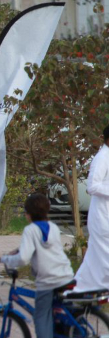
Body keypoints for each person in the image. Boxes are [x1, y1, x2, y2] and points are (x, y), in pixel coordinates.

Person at [0, 193, 76, 338]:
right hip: (65, 274)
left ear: (29, 213)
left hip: (48, 280)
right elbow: (40, 246)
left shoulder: (30, 230)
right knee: (55, 312)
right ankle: (59, 335)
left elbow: (24, 258)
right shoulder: (53, 227)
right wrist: (15, 251)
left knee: (41, 318)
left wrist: (4, 259)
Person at [75, 125, 109, 293]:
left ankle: (79, 290)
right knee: (102, 255)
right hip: (102, 216)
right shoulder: (102, 157)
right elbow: (92, 186)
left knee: (95, 258)